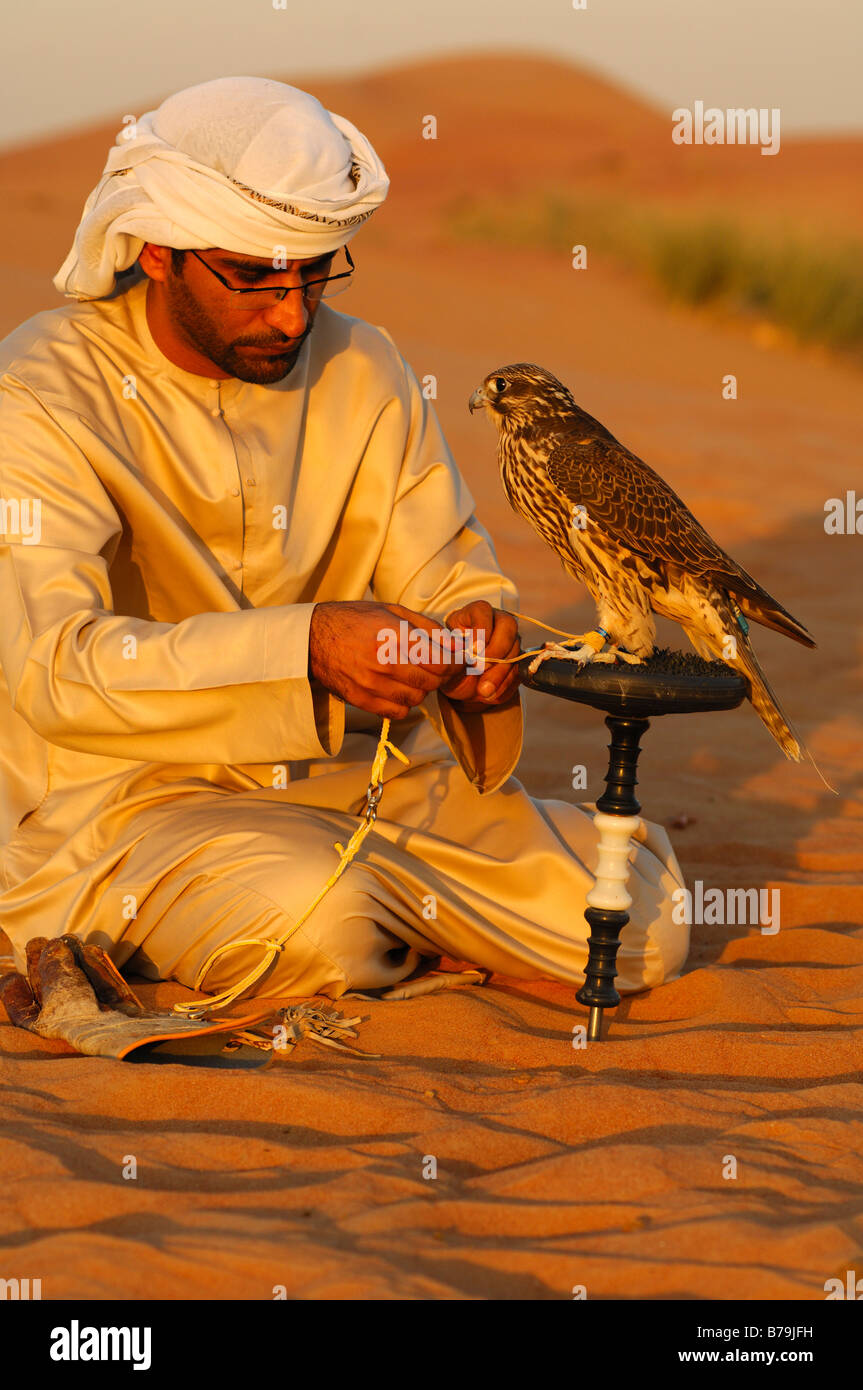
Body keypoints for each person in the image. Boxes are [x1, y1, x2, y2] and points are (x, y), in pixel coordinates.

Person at [0, 76, 688, 1004]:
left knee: (641, 923)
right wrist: (307, 651)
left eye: (315, 272)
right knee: (308, 921)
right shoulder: (43, 392)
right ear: (157, 249)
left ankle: (388, 922)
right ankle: (379, 925)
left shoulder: (369, 370)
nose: (291, 313)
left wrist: (473, 642)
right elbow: (55, 665)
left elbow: (447, 573)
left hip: (362, 783)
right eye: (253, 276)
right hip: (130, 802)